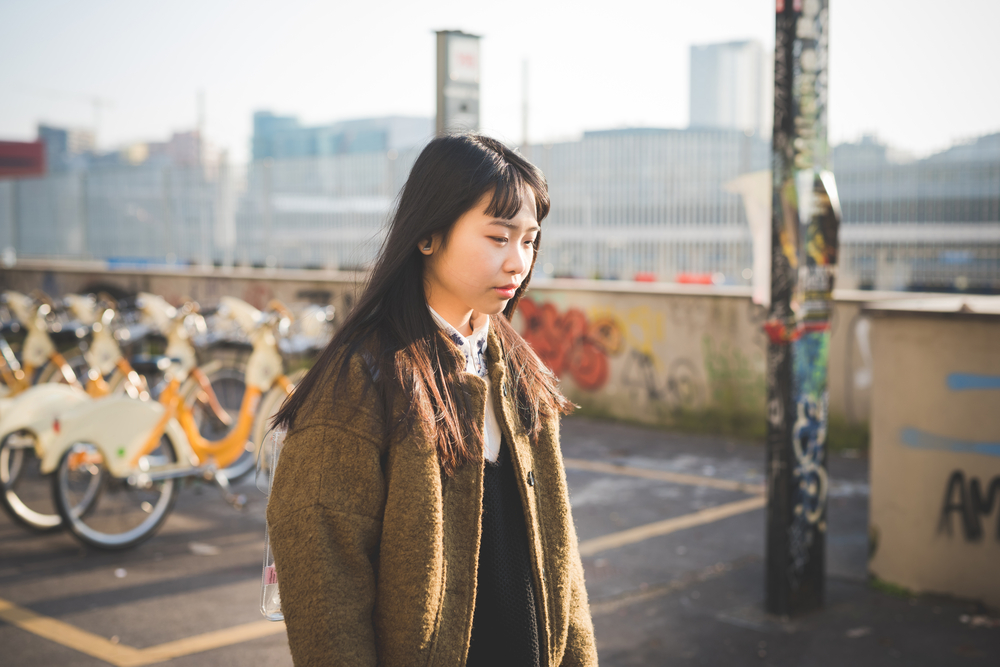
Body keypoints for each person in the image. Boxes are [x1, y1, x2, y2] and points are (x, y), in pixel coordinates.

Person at [267, 134, 598, 667]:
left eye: (530, 240)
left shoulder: (515, 368)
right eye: (498, 237)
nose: (519, 262)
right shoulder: (361, 376)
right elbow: (323, 575)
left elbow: (560, 558)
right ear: (428, 235)